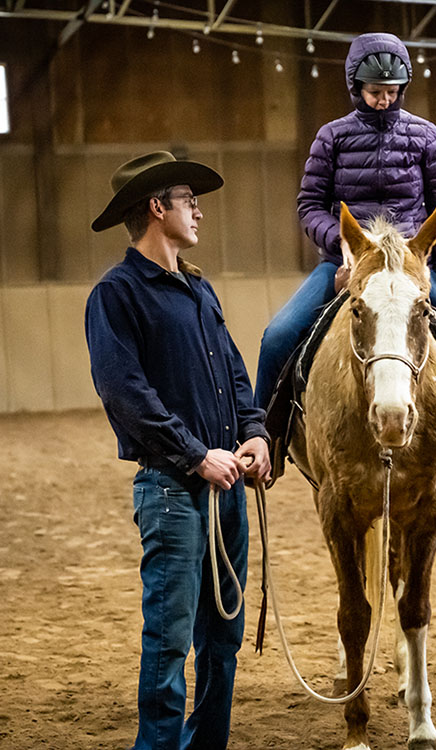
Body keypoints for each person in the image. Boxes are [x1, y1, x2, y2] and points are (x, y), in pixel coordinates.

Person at [255, 31, 436, 494]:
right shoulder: (331, 137)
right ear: (356, 87)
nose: (383, 101)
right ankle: (265, 442)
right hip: (350, 263)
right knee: (278, 335)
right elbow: (310, 205)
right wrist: (342, 245)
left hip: (412, 264)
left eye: (392, 92)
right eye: (376, 92)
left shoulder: (424, 135)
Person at [85, 151, 271, 750]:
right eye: (190, 200)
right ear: (157, 207)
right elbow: (126, 394)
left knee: (224, 637)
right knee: (168, 640)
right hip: (172, 487)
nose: (198, 212)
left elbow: (235, 374)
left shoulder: (198, 288)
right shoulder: (116, 295)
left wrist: (255, 432)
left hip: (224, 484)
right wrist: (196, 455)